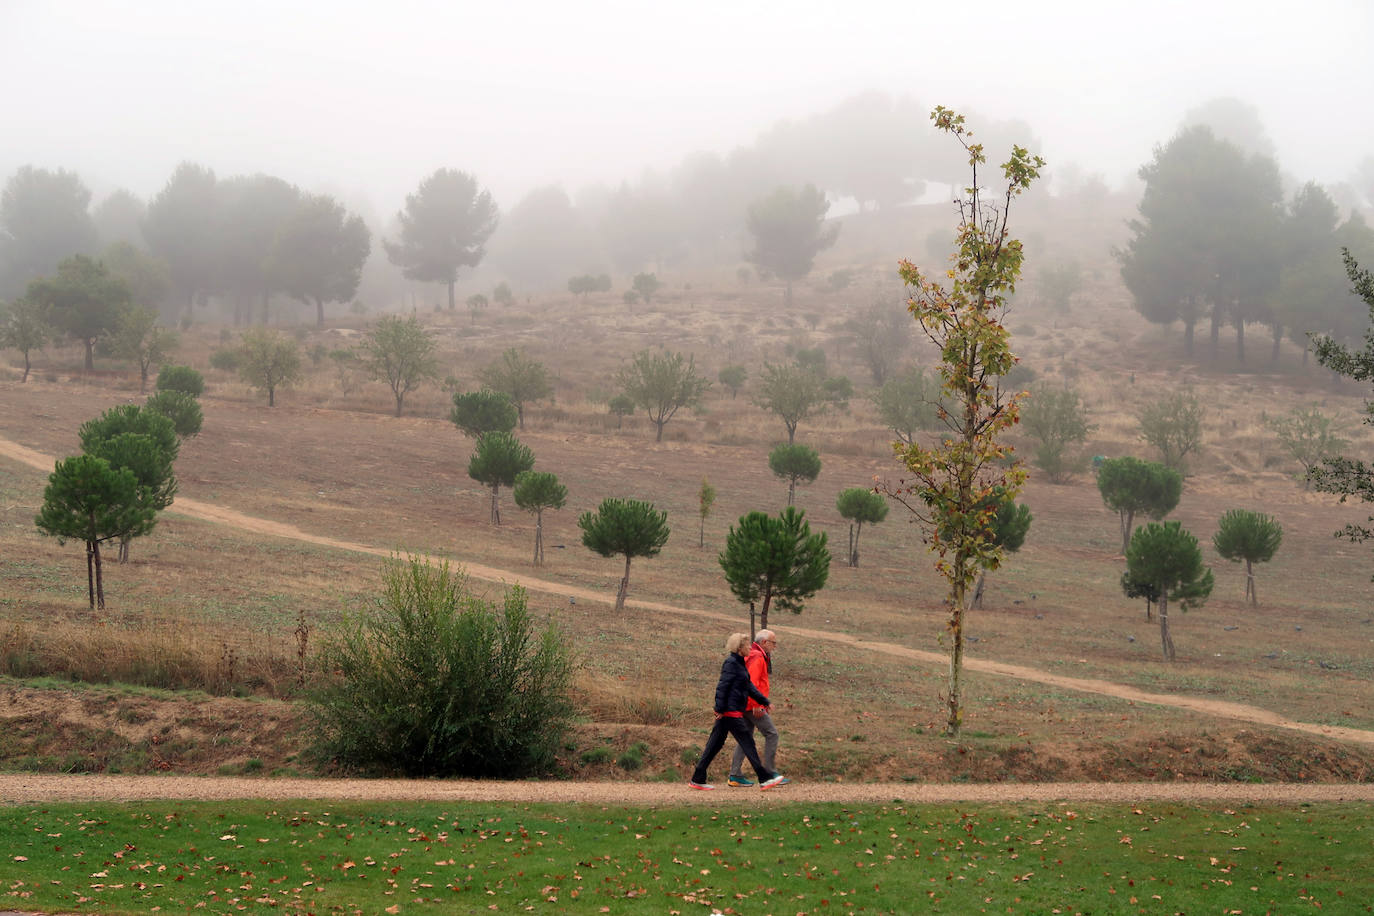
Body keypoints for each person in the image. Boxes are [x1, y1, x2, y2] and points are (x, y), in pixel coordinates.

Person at [688, 632, 788, 791]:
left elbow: (748, 686)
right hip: (729, 711)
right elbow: (722, 687)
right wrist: (719, 709)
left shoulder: (739, 663)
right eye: (747, 645)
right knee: (748, 742)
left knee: (715, 744)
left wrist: (764, 701)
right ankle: (765, 777)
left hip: (732, 710)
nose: (750, 647)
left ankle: (697, 778)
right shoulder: (731, 663)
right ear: (740, 648)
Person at [726, 629, 787, 788]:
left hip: (743, 703)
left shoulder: (752, 654)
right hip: (751, 705)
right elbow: (750, 682)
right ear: (764, 642)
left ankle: (735, 775)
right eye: (773, 643)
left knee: (745, 738)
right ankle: (770, 772)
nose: (775, 646)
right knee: (772, 733)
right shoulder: (758, 657)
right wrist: (757, 705)